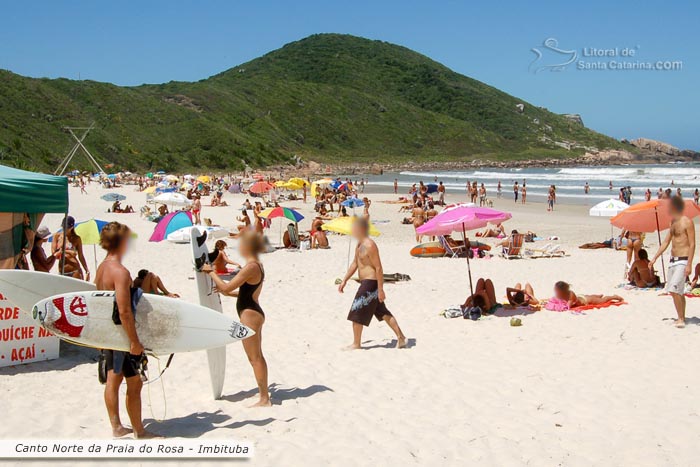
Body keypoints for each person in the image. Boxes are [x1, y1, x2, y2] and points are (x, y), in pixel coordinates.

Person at [94, 222, 159, 438]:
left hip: (110, 334)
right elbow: (124, 311)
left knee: (113, 379)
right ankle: (139, 431)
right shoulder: (120, 272)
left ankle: (117, 427)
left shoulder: (102, 267)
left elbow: (100, 304)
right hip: (122, 335)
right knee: (135, 382)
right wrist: (133, 341)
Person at [201, 231, 271, 407]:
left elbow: (225, 287)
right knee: (257, 357)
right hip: (253, 311)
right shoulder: (257, 265)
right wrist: (231, 294)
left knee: (255, 358)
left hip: (250, 315)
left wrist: (210, 272)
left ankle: (264, 399)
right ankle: (264, 395)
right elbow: (247, 293)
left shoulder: (251, 267)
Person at [338, 218, 407, 350]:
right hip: (366, 283)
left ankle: (356, 344)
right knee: (382, 312)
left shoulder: (370, 245)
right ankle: (401, 338)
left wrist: (380, 289)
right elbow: (355, 264)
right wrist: (344, 280)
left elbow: (379, 268)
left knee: (356, 311)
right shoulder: (359, 244)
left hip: (370, 284)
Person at [649, 196, 696, 328]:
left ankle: (681, 318)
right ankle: (681, 316)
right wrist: (655, 257)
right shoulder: (672, 223)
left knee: (674, 289)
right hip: (672, 260)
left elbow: (692, 244)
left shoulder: (687, 222)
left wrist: (689, 264)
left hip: (683, 260)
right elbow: (666, 242)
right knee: (677, 291)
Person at [553, 281, 623, 308]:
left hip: (585, 300)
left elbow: (568, 305)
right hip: (581, 297)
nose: (555, 291)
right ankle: (598, 296)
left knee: (602, 301)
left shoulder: (570, 294)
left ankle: (614, 296)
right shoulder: (561, 294)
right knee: (590, 296)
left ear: (562, 290)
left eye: (557, 290)